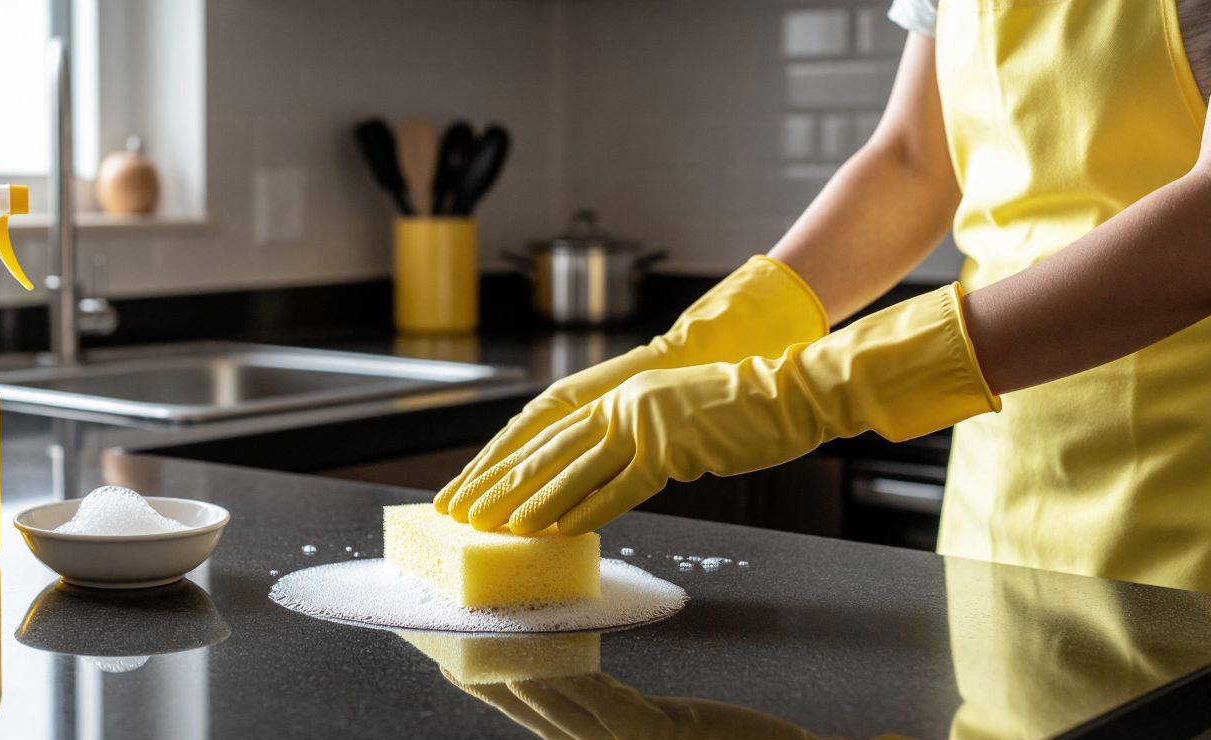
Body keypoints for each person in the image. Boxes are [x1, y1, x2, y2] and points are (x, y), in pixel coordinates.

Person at [435, 0, 1211, 594]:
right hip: (1003, 488)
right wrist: (702, 344)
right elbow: (911, 162)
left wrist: (810, 392)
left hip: (1183, 501)